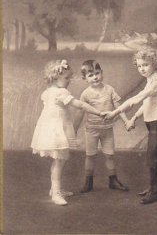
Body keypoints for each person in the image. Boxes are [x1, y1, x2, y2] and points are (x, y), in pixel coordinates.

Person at [104, 48, 157, 204]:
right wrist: (134, 118)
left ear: (155, 64)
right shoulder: (150, 80)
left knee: (152, 157)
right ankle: (152, 187)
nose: (142, 68)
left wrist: (114, 113)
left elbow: (135, 100)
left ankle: (155, 190)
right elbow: (147, 102)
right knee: (152, 157)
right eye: (139, 65)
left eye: (146, 65)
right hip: (154, 121)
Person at [31, 59, 106, 206]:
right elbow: (79, 104)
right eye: (67, 78)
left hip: (52, 128)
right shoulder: (61, 92)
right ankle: (56, 193)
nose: (69, 81)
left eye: (70, 77)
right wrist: (98, 112)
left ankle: (55, 189)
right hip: (56, 131)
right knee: (59, 161)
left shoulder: (48, 92)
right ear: (55, 77)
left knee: (60, 160)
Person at [74, 59, 130, 193]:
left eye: (97, 73)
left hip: (107, 130)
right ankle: (88, 182)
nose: (95, 77)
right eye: (91, 75)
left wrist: (126, 121)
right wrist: (73, 130)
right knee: (90, 156)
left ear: (102, 73)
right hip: (92, 130)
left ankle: (113, 180)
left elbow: (119, 107)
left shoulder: (109, 89)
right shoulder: (85, 94)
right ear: (85, 78)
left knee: (109, 155)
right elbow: (80, 112)